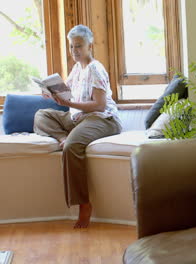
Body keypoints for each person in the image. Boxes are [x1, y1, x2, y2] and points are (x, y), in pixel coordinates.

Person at [34, 25, 122, 228]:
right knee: (41, 115)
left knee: (72, 147)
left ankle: (84, 205)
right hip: (78, 118)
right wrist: (51, 94)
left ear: (90, 45)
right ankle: (62, 137)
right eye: (72, 47)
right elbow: (67, 92)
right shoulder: (77, 68)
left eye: (79, 46)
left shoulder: (95, 68)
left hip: (101, 118)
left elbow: (99, 105)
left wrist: (69, 104)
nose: (75, 51)